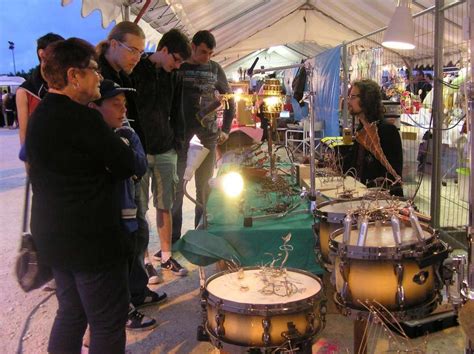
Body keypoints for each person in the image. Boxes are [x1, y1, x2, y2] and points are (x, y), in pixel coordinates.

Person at [25, 37, 133, 353]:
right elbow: (125, 164)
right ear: (74, 75)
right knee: (107, 323)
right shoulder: (83, 117)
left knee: (71, 313)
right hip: (90, 240)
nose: (99, 77)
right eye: (94, 70)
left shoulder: (40, 115)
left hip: (53, 236)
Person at [97, 22, 168, 295]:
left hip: (131, 162)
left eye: (140, 52)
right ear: (114, 44)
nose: (137, 57)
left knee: (138, 226)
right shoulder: (99, 77)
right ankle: (127, 298)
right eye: (133, 50)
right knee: (128, 231)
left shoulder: (124, 74)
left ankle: (136, 291)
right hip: (116, 169)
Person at [89, 79, 162, 331]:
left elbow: (138, 168)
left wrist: (128, 141)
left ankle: (134, 296)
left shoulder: (124, 133)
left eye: (124, 105)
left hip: (126, 213)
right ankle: (122, 311)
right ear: (94, 106)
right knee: (112, 269)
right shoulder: (93, 138)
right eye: (115, 104)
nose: (123, 110)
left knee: (132, 251)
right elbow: (128, 168)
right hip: (105, 220)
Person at [131, 29, 191, 276]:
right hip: (140, 150)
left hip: (166, 148)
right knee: (139, 207)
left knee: (165, 204)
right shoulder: (136, 69)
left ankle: (166, 256)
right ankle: (143, 261)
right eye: (176, 59)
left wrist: (178, 143)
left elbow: (178, 111)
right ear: (163, 50)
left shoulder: (175, 77)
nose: (177, 66)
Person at [171, 30, 235, 244]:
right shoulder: (178, 65)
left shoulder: (215, 69)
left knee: (204, 186)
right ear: (193, 45)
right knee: (177, 188)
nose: (206, 57)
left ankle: (201, 234)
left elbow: (229, 100)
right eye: (203, 52)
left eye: (210, 53)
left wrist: (225, 128)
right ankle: (173, 240)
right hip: (180, 135)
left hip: (208, 135)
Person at [346, 79, 403, 196]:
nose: (348, 101)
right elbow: (351, 164)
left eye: (352, 97)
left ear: (366, 100)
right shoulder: (361, 130)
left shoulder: (387, 131)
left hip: (380, 202)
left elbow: (392, 178)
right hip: (360, 195)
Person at [16, 32, 64, 145]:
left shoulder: (68, 83)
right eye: (58, 52)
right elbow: (24, 135)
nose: (63, 57)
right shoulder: (25, 91)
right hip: (41, 156)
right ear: (42, 54)